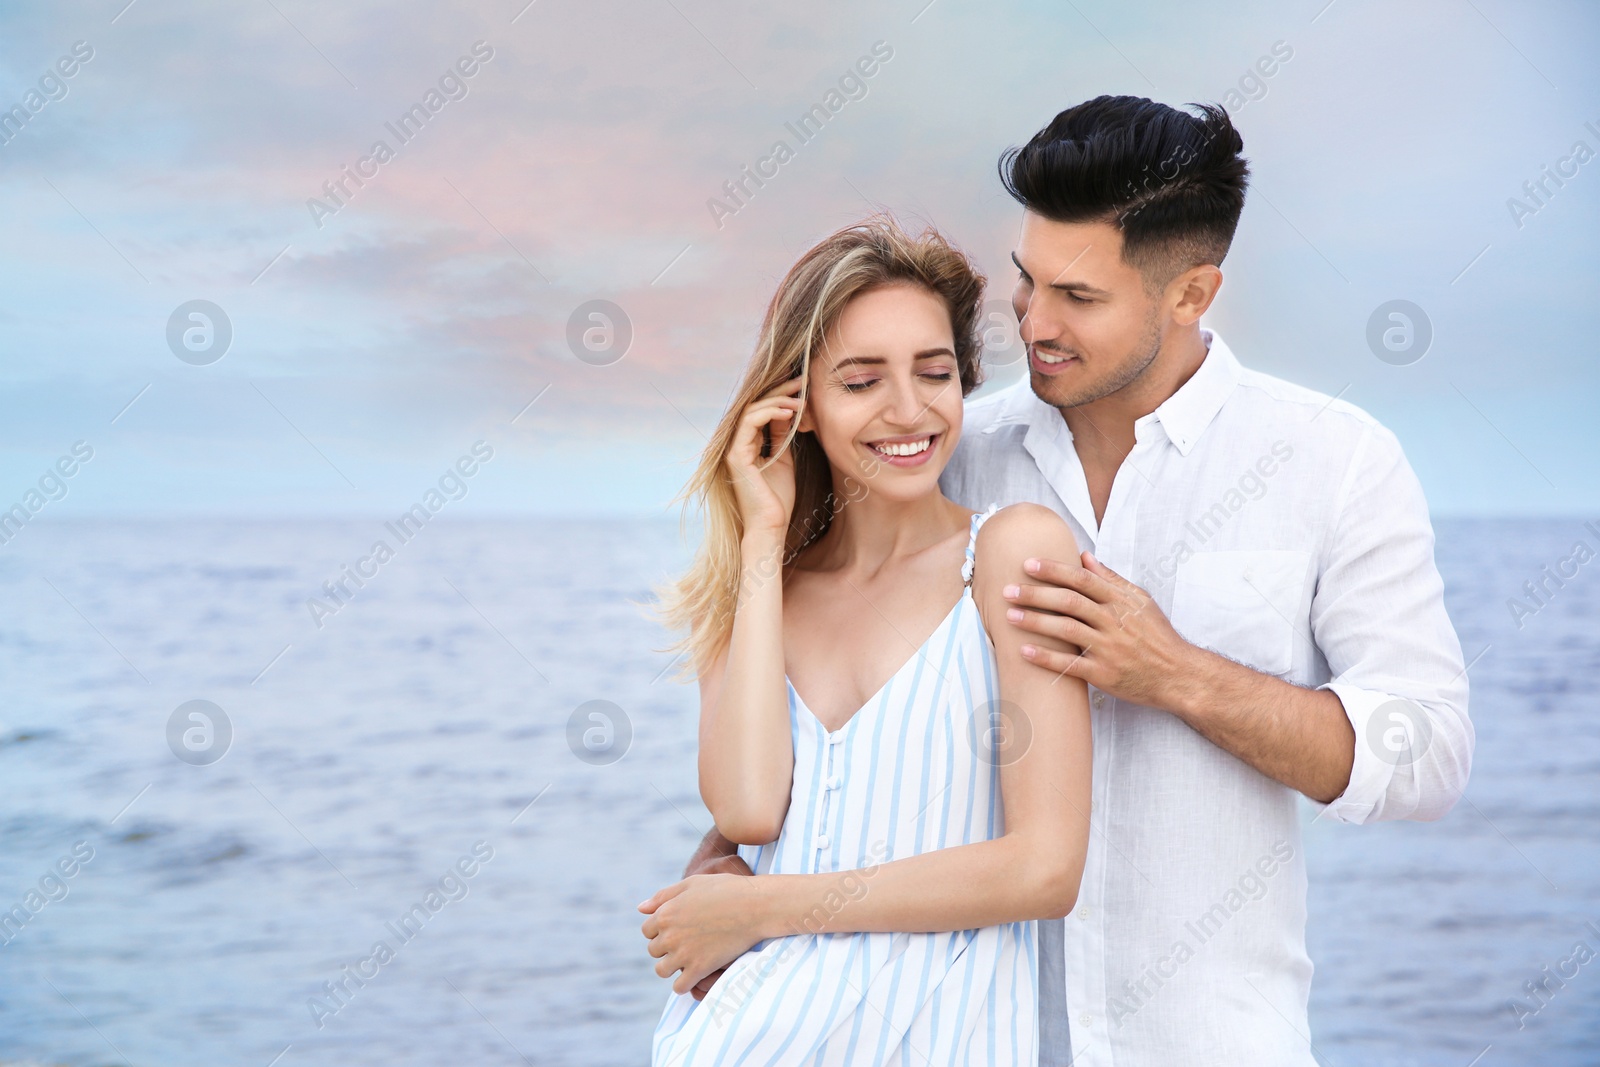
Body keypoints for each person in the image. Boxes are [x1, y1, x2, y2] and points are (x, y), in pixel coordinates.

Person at [672, 96, 1474, 1066]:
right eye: (1026, 281)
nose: (1033, 324)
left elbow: (1425, 752)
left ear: (1190, 294)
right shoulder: (952, 456)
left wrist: (1174, 672)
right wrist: (737, 865)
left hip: (1209, 1039)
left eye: (1078, 298)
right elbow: (836, 686)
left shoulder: (1329, 458)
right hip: (963, 1035)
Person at [640, 216, 1093, 1064]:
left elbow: (1044, 869)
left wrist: (766, 908)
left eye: (935, 372)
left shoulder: (1012, 551)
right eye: (860, 381)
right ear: (798, 405)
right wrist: (764, 539)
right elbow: (746, 808)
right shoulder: (753, 592)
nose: (909, 410)